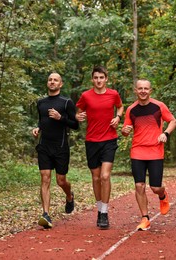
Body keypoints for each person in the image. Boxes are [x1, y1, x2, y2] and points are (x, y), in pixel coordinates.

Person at [121, 79, 176, 231]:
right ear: (136, 90)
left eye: (146, 88)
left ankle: (163, 195)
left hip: (155, 151)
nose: (143, 91)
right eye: (140, 88)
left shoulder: (159, 106)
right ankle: (145, 218)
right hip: (137, 150)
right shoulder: (131, 109)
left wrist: (165, 133)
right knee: (139, 185)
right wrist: (124, 131)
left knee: (155, 187)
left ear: (150, 90)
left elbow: (173, 121)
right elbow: (126, 129)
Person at [75, 66, 124, 229]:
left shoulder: (113, 94)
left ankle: (104, 213)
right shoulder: (86, 96)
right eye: (96, 77)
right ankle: (99, 209)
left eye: (101, 77)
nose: (98, 80)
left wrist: (117, 117)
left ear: (106, 79)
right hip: (92, 140)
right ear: (92, 79)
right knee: (95, 178)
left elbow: (120, 107)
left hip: (109, 139)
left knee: (104, 176)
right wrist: (78, 116)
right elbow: (79, 111)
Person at [32, 72, 79, 229]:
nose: (52, 82)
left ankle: (69, 195)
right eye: (50, 80)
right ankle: (45, 214)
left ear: (61, 84)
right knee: (45, 178)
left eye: (55, 80)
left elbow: (75, 124)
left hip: (60, 147)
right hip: (44, 145)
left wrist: (61, 118)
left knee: (61, 180)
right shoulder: (41, 102)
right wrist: (37, 128)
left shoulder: (66, 103)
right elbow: (42, 120)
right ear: (48, 83)